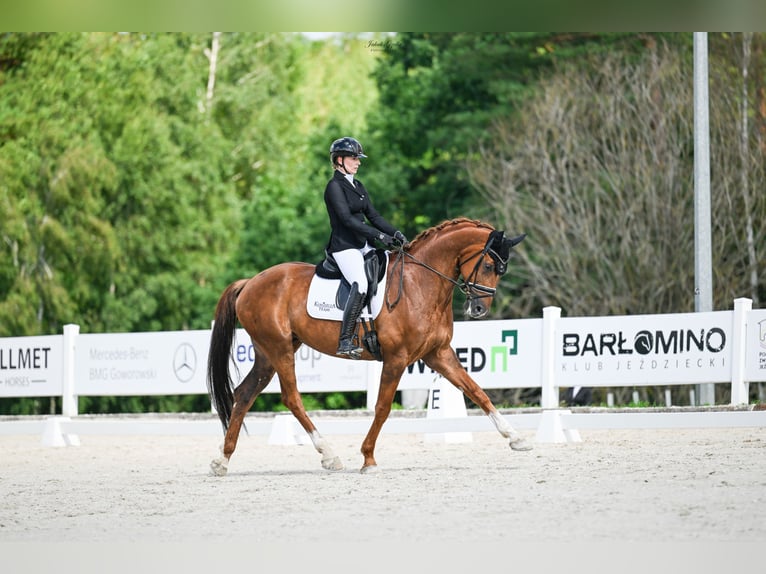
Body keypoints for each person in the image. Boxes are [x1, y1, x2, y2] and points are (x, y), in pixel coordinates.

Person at [324, 136, 407, 358]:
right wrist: (378, 235)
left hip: (363, 244)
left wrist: (394, 232)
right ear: (339, 160)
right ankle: (345, 339)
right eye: (354, 158)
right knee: (360, 283)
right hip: (344, 247)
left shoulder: (358, 185)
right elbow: (347, 220)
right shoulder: (334, 187)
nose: (358, 162)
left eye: (358, 158)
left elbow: (373, 215)